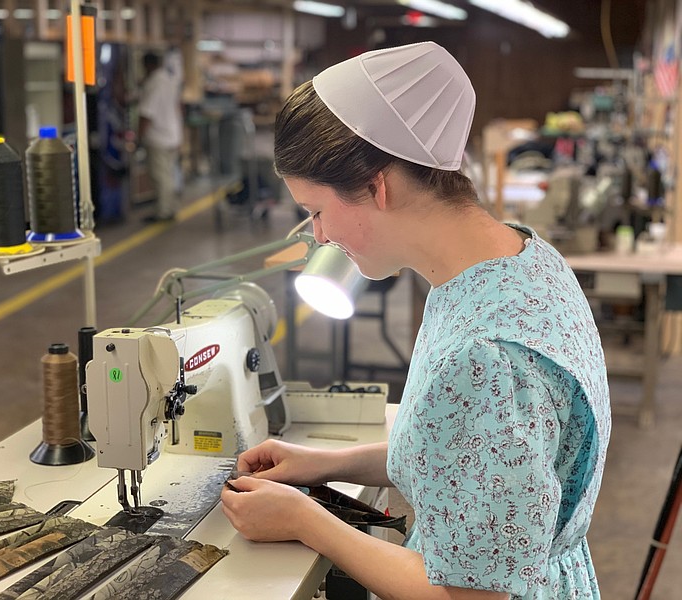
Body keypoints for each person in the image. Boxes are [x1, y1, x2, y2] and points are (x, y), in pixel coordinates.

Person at [220, 41, 611, 600]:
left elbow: (472, 596)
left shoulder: (489, 355)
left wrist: (307, 522)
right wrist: (319, 464)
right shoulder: (517, 260)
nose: (320, 237)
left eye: (317, 211)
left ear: (379, 185)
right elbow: (465, 458)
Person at [139, 50, 183, 223]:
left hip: (158, 137)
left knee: (160, 176)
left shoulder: (154, 83)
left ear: (147, 65)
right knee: (169, 175)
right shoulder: (169, 79)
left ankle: (163, 212)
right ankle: (171, 208)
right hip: (173, 134)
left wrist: (137, 137)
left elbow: (146, 114)